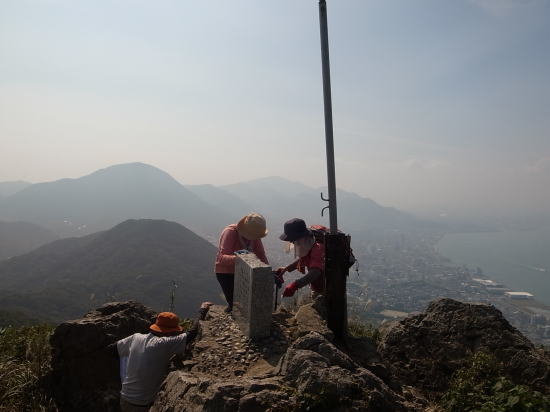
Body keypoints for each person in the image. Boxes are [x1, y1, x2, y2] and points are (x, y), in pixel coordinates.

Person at [116, 302, 212, 411]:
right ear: (169, 331)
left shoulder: (136, 337)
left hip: (124, 397)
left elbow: (115, 348)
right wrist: (203, 310)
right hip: (142, 404)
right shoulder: (164, 343)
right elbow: (192, 333)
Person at [215, 213, 269, 312]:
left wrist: (267, 271)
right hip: (226, 273)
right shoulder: (230, 232)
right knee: (236, 305)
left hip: (244, 272)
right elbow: (221, 259)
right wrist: (240, 258)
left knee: (247, 303)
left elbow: (261, 254)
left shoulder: (255, 235)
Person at [276, 218, 325, 298]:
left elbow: (315, 271)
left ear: (300, 237)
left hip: (329, 290)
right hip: (318, 287)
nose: (292, 243)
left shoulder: (318, 249)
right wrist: (286, 269)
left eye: (293, 240)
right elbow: (304, 259)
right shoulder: (308, 245)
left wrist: (295, 285)